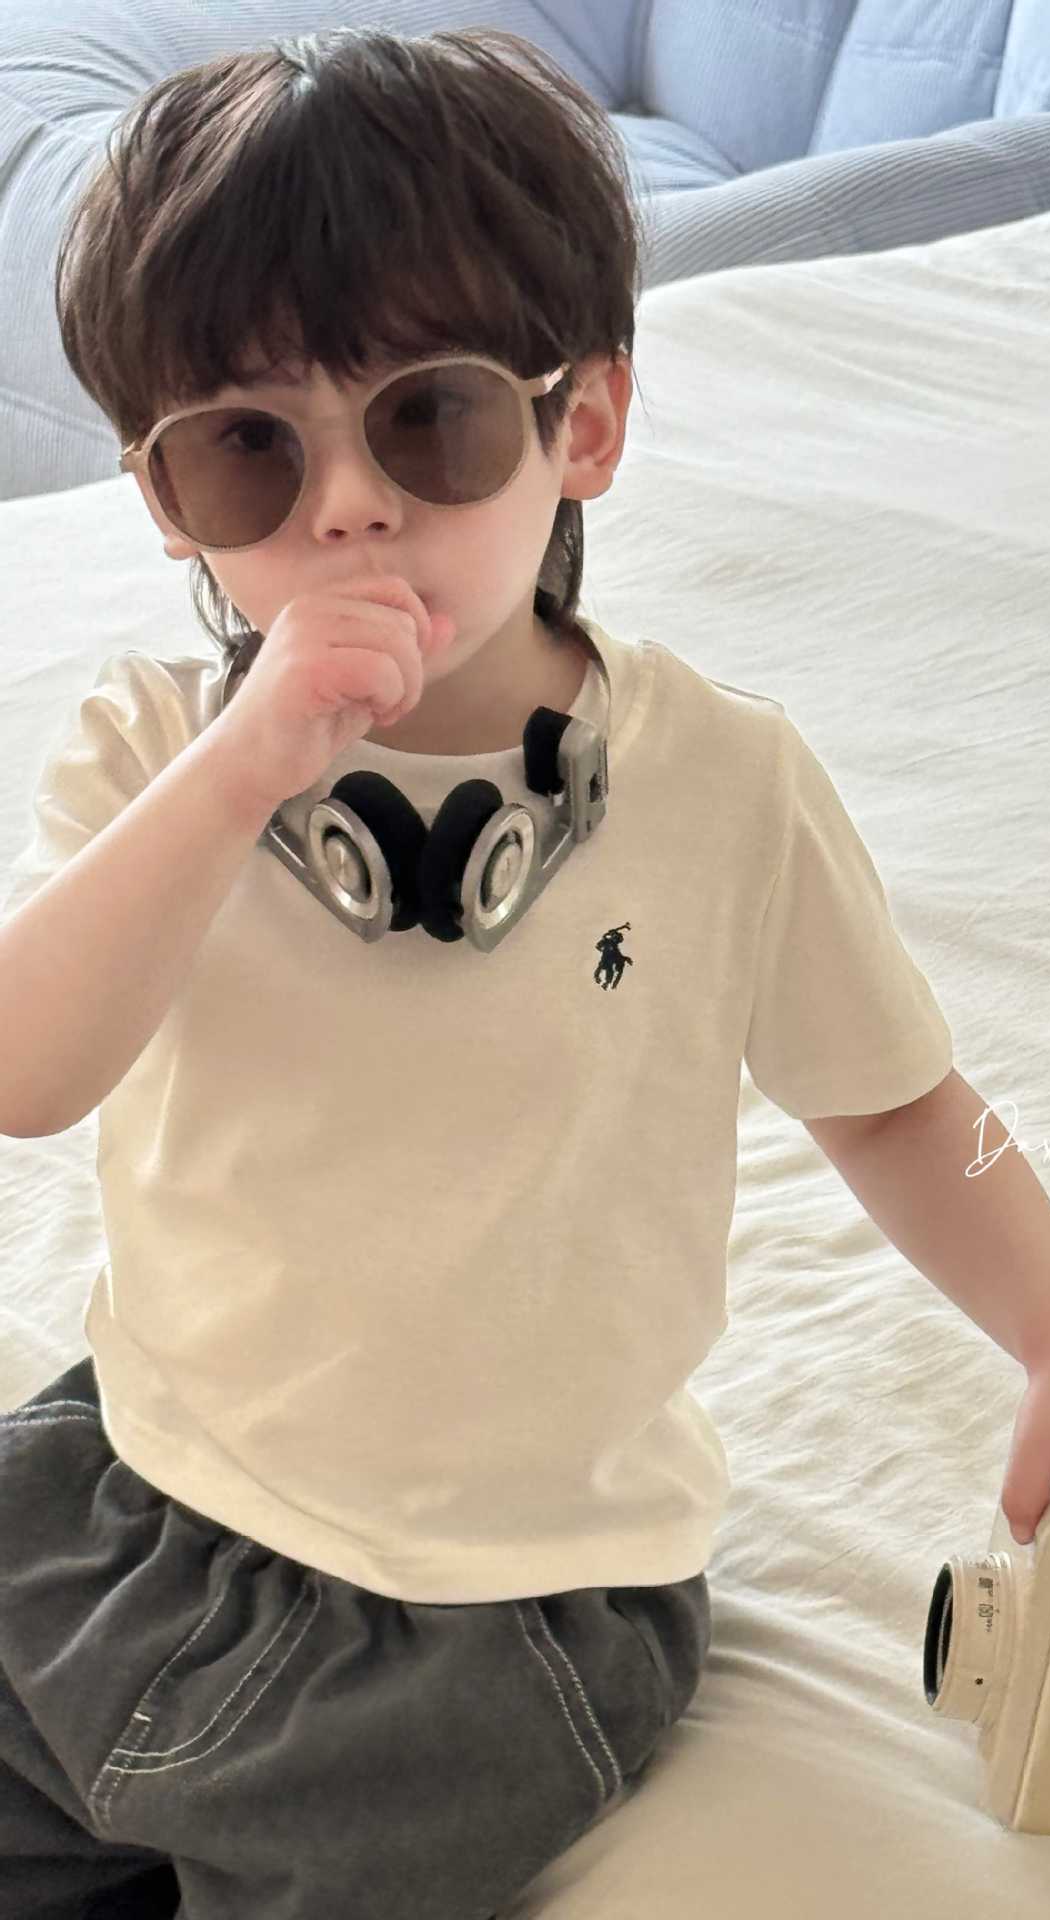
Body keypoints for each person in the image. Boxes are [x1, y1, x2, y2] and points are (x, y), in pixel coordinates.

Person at [0, 24, 958, 1920]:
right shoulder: (153, 754)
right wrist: (240, 773)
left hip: (492, 1615)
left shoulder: (723, 786)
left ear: (582, 424)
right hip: (136, 1491)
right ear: (164, 501)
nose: (347, 505)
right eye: (248, 450)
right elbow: (28, 1073)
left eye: (428, 420)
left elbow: (914, 1110)